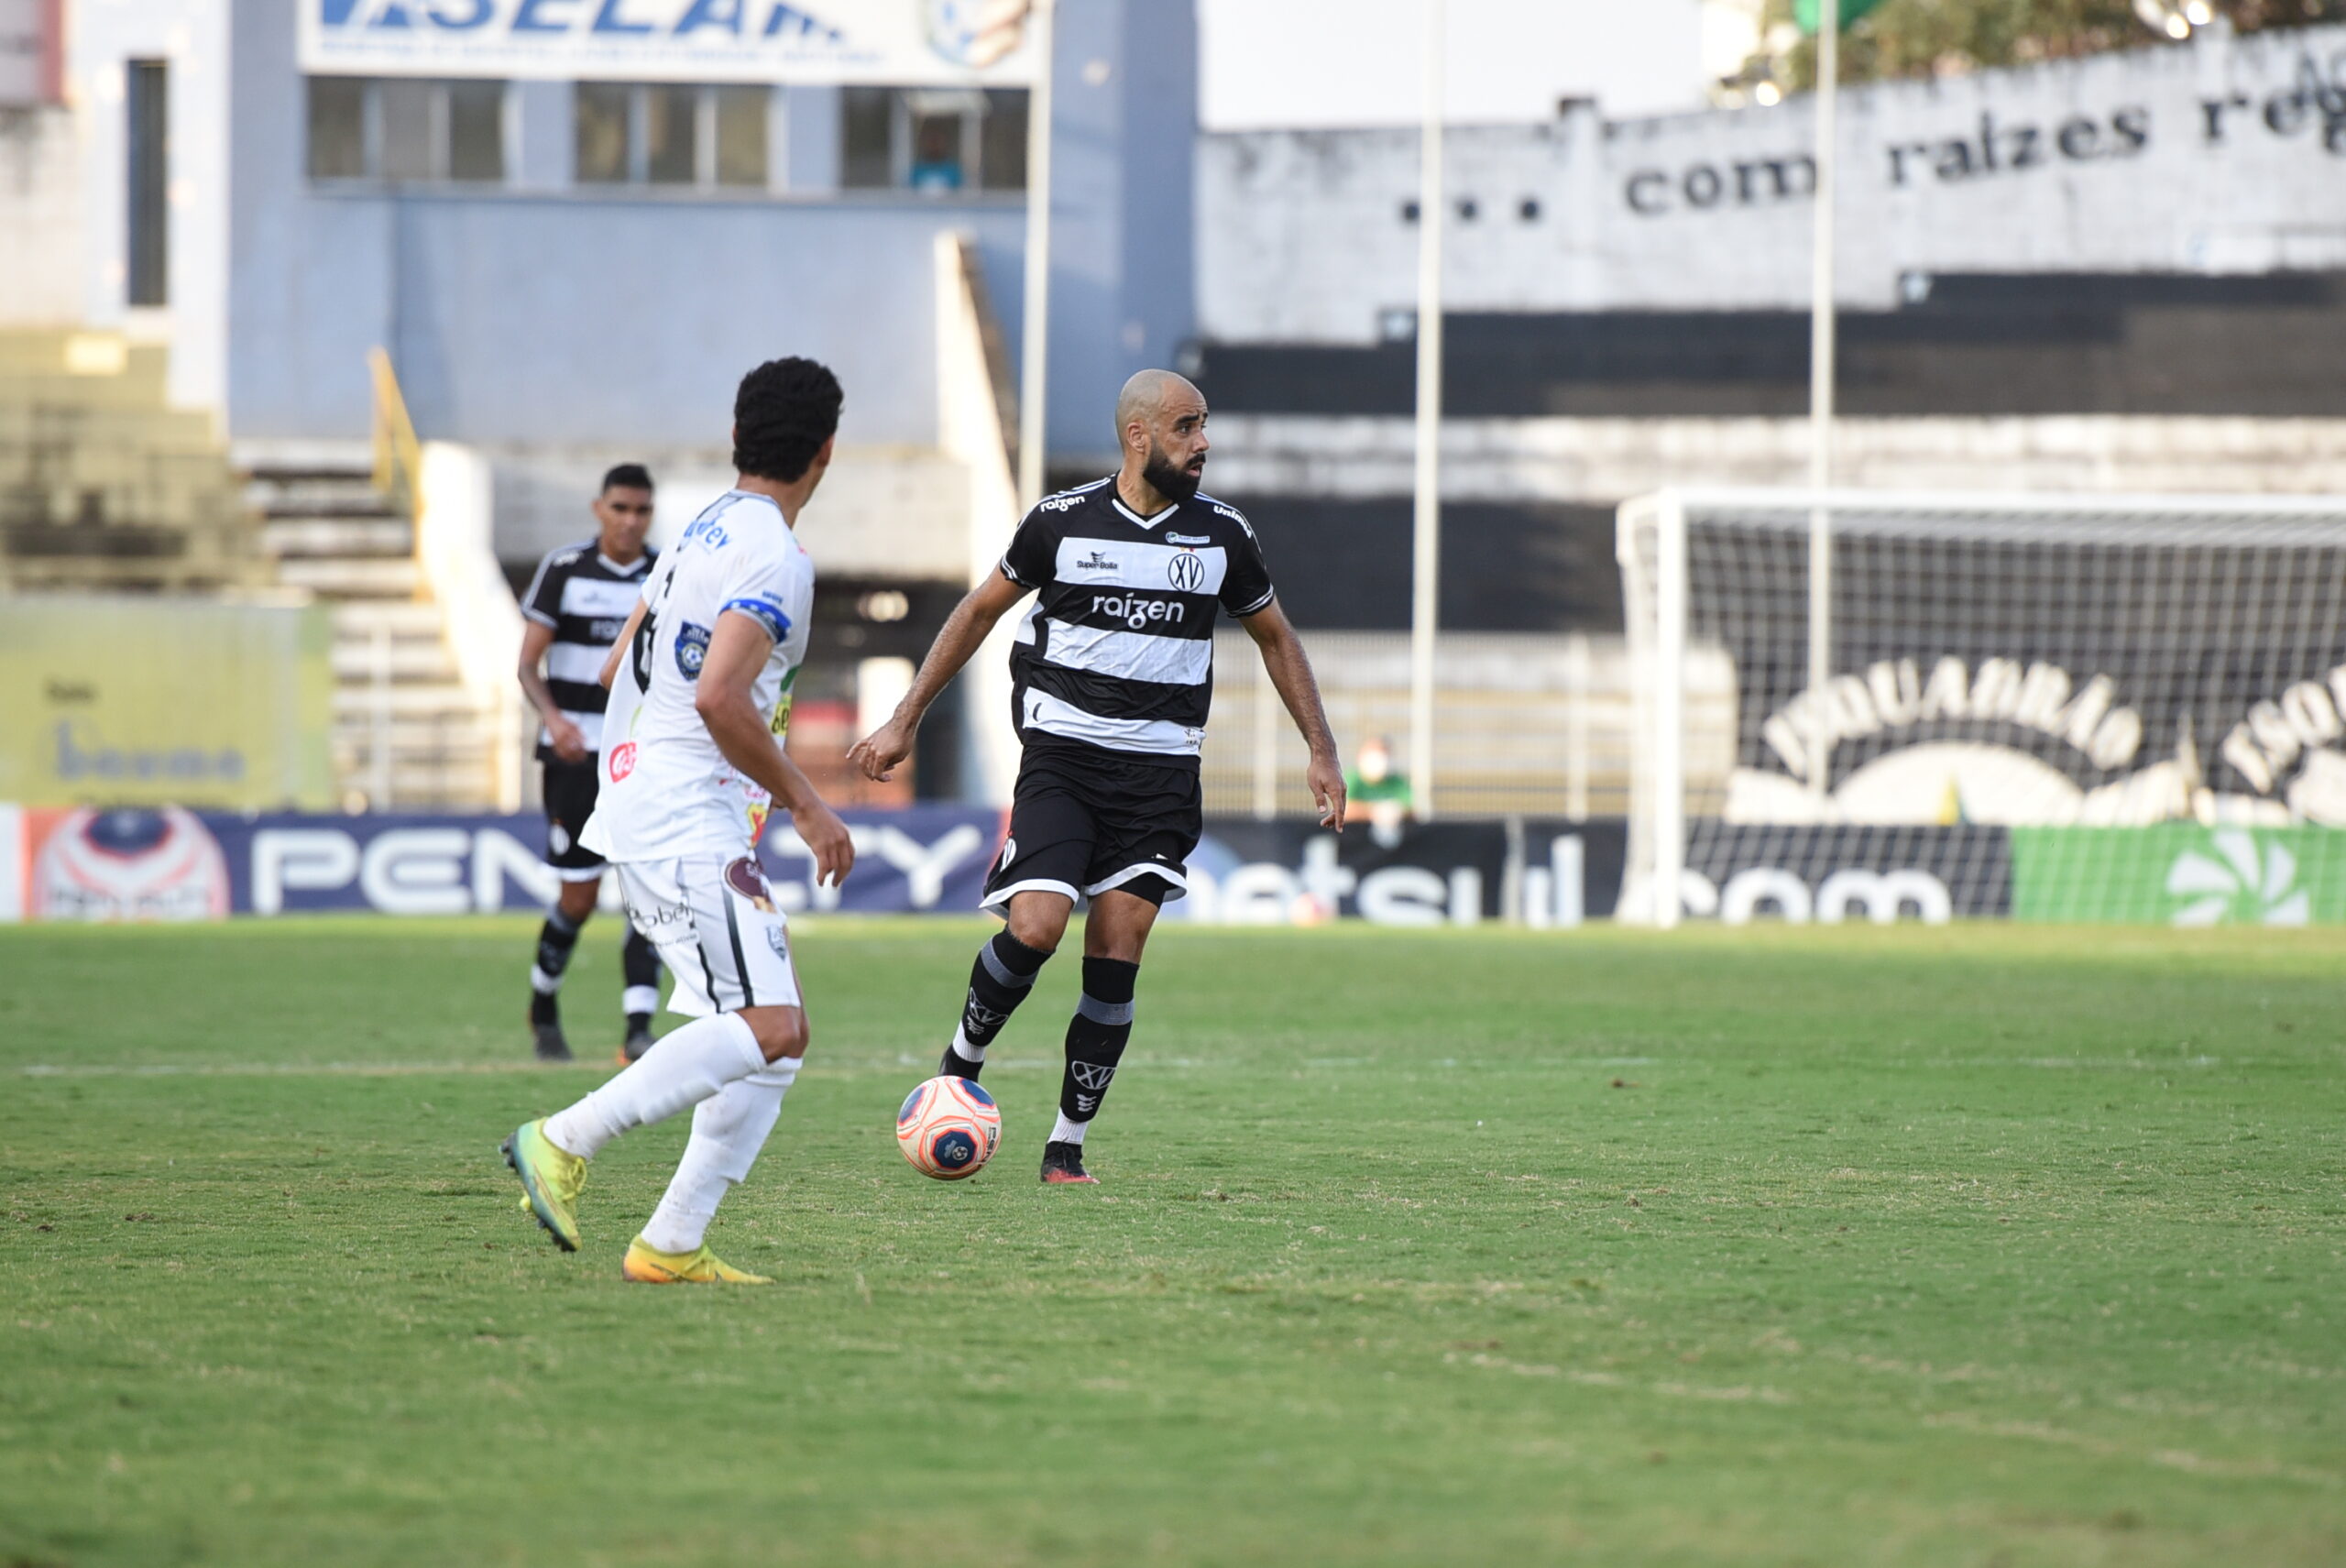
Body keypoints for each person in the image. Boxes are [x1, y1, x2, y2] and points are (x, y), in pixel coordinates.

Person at [850, 368, 1344, 1184]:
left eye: (1205, 426)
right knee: (1037, 926)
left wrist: (1320, 748)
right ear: (1139, 435)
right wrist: (905, 717)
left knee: (1119, 944)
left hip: (1159, 776)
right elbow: (978, 610)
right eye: (1187, 427)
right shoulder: (1059, 524)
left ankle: (1065, 1145)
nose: (1203, 443)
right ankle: (961, 1063)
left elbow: (1276, 637)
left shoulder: (1223, 536)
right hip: (1064, 761)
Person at [502, 357, 856, 1285]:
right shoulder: (773, 555)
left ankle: (671, 1241)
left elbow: (630, 650)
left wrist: (629, 763)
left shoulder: (701, 527)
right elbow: (720, 698)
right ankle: (560, 1138)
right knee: (773, 1024)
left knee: (767, 1043)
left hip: (658, 801)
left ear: (738, 438)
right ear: (826, 450)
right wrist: (809, 805)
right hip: (682, 815)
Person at [516, 464, 664, 1064]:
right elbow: (528, 664)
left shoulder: (667, 573)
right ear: (598, 507)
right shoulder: (564, 569)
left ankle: (636, 1030)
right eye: (620, 508)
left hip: (641, 762)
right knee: (578, 897)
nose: (630, 521)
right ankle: (543, 1002)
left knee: (648, 893)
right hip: (574, 758)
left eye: (641, 511)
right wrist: (554, 719)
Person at [1344, 734, 1415, 849]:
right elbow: (1344, 811)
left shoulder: (1397, 781)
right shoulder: (1352, 779)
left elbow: (1411, 809)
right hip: (1353, 844)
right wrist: (1376, 811)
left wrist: (1395, 812)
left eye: (1384, 755)